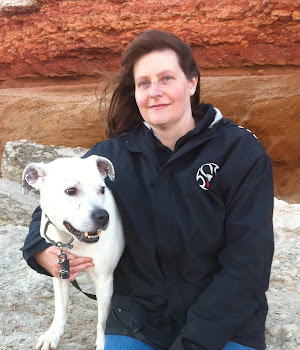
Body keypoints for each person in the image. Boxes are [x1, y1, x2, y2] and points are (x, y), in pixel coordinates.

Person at [21, 29, 274, 350]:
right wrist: (39, 251)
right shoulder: (112, 156)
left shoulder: (239, 152)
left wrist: (193, 342)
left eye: (167, 78)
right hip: (139, 321)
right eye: (144, 83)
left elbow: (248, 265)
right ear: (135, 92)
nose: (155, 92)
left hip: (226, 325)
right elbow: (50, 205)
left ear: (192, 82)